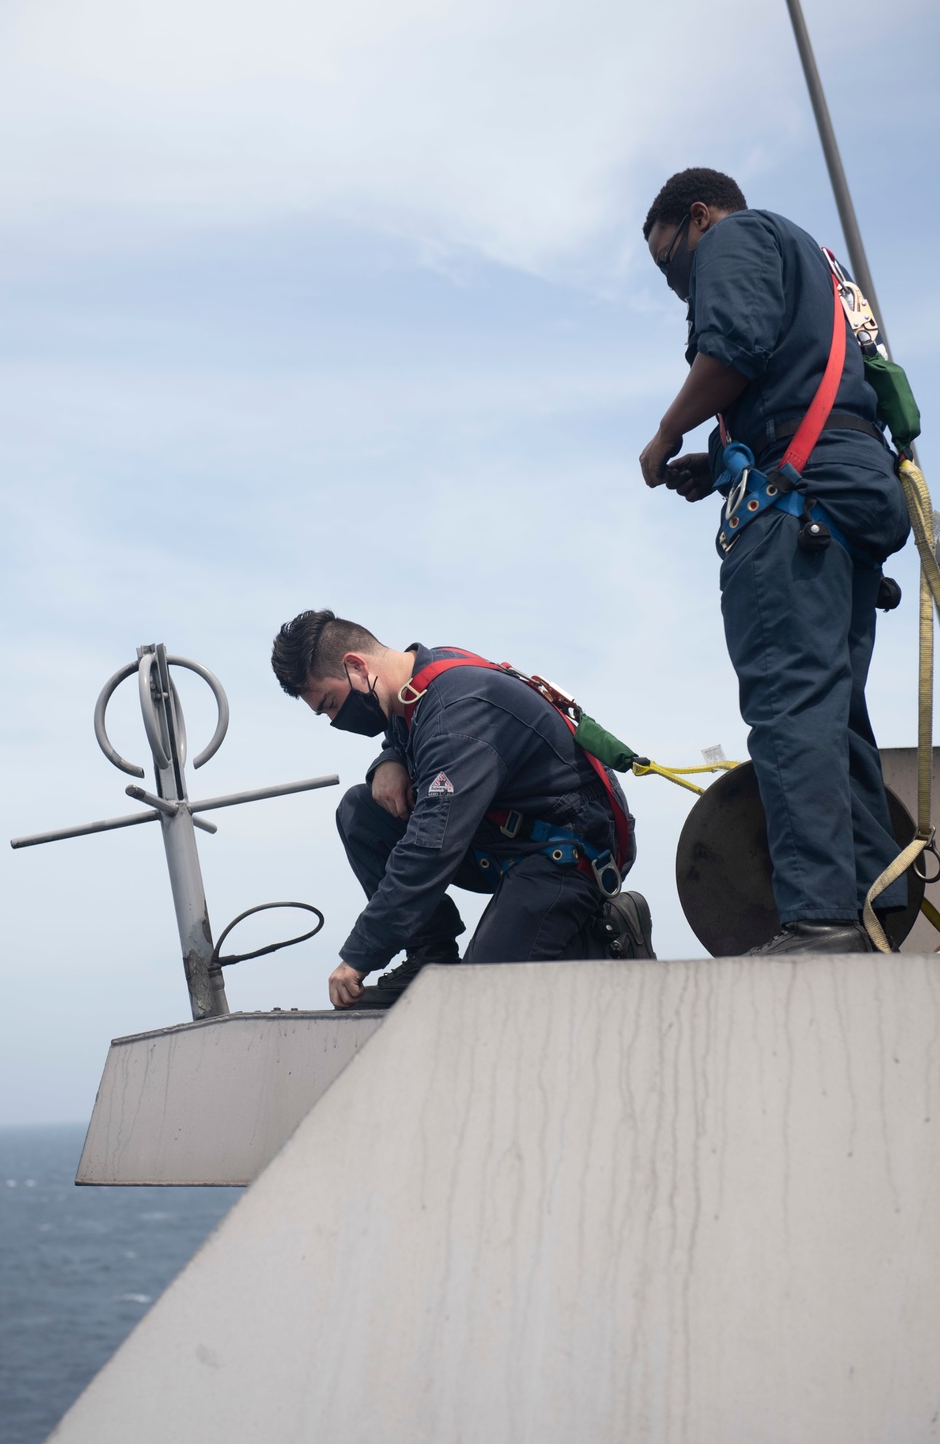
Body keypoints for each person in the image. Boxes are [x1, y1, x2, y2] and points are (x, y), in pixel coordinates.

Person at [639, 166, 909, 957]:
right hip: (850, 495)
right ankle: (874, 912)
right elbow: (796, 376)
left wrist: (668, 435)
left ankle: (820, 918)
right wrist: (723, 457)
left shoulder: (736, 236)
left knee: (791, 708)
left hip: (801, 509)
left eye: (672, 267)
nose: (677, 287)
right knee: (835, 717)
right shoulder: (822, 269)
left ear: (697, 217)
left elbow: (735, 350)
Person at [271, 610, 652, 1008]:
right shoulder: (417, 684)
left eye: (331, 703)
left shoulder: (456, 712)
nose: (335, 720)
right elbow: (417, 741)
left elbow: (430, 848)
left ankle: (607, 946)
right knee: (360, 809)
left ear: (355, 665)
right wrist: (389, 759)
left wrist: (359, 955)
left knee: (472, 1006)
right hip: (503, 840)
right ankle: (429, 954)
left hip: (564, 853)